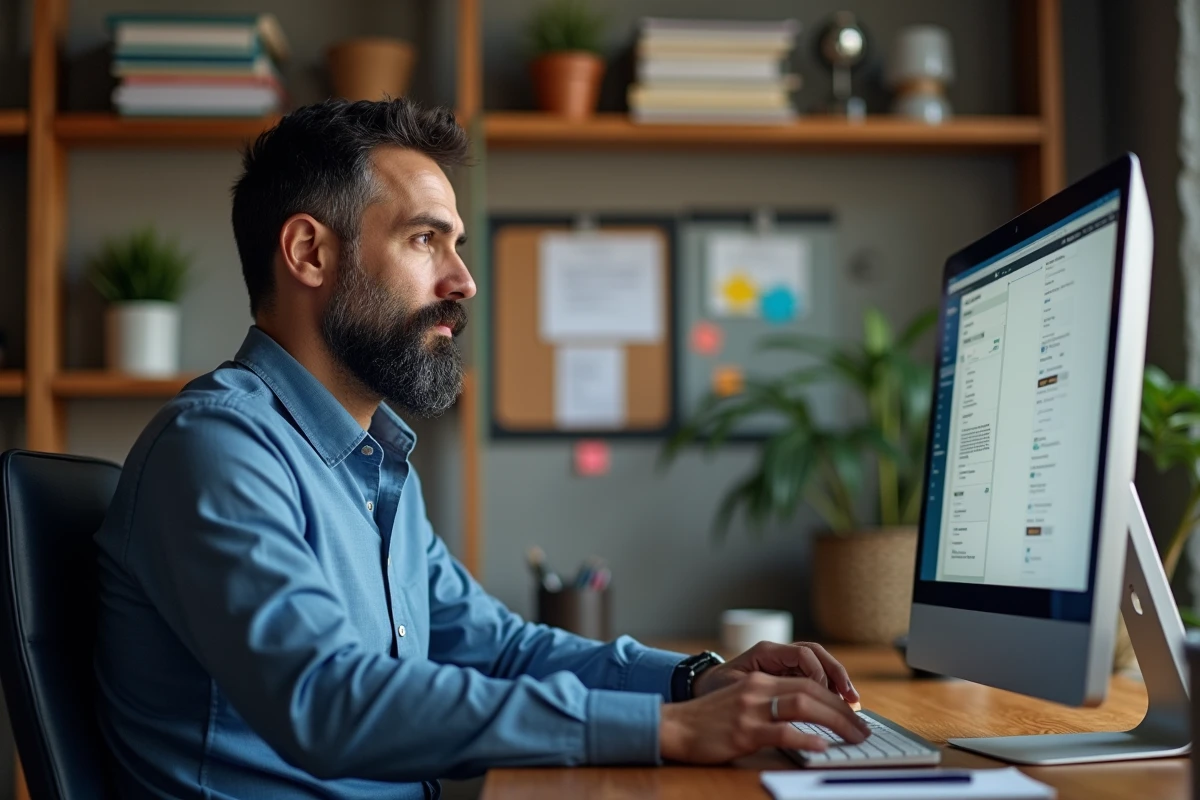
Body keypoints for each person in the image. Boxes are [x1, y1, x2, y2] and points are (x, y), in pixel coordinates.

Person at [93, 98, 870, 799]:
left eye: (455, 244)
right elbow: (323, 698)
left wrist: (692, 682)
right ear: (309, 253)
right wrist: (663, 732)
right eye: (425, 238)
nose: (463, 280)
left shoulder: (373, 468)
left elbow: (496, 651)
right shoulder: (220, 448)